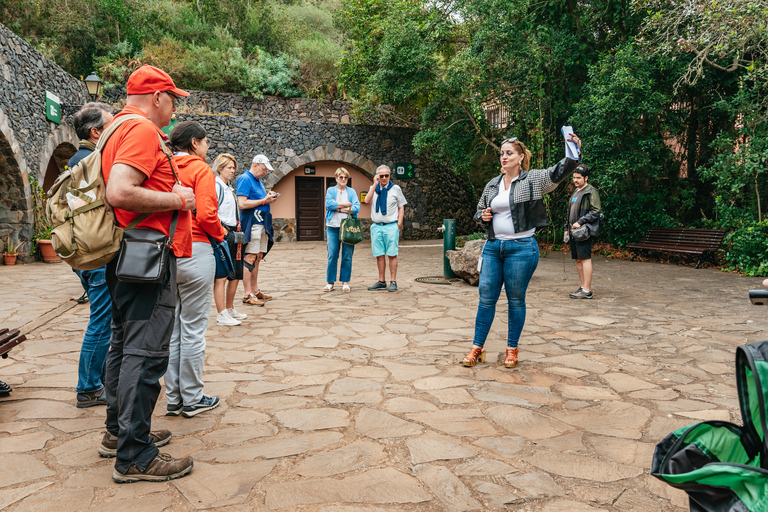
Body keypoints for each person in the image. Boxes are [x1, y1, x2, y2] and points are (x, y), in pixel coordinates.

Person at [101, 64, 196, 483]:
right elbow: (119, 191)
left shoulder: (114, 128)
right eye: (173, 99)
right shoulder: (140, 130)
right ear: (157, 96)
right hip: (147, 257)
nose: (174, 109)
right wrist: (177, 199)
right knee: (146, 352)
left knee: (122, 345)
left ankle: (119, 431)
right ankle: (136, 454)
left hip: (126, 256)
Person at [463, 134, 582, 369]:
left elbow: (559, 171)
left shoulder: (533, 179)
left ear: (520, 157)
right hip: (493, 248)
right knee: (486, 300)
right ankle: (477, 347)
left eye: (509, 153)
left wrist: (573, 152)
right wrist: (483, 215)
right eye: (502, 153)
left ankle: (512, 349)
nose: (504, 157)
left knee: (515, 300)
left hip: (522, 248)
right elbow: (479, 211)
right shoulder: (492, 184)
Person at [164, 121, 227, 418]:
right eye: (205, 143)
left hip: (166, 253)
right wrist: (221, 234)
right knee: (193, 328)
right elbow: (207, 213)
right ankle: (192, 397)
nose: (207, 148)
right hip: (196, 249)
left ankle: (173, 397)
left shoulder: (163, 167)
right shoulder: (200, 169)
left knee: (173, 327)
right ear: (193, 144)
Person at [67, 102, 115, 408]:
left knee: (102, 318)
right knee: (101, 319)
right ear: (96, 131)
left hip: (84, 252)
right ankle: (88, 387)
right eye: (109, 126)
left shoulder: (76, 159)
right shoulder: (92, 161)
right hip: (96, 254)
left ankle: (95, 380)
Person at [236, 154, 278, 306]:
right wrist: (263, 200)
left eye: (266, 170)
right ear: (255, 165)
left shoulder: (258, 181)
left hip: (262, 224)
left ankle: (254, 290)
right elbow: (242, 203)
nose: (265, 172)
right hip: (252, 224)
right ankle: (247, 293)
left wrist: (267, 197)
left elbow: (259, 200)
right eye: (263, 169)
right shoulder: (245, 179)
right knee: (250, 257)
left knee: (258, 256)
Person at [212, 153, 247, 326]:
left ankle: (230, 307)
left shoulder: (228, 187)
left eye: (234, 168)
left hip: (234, 232)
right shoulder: (216, 186)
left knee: (235, 274)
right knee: (222, 275)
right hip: (223, 234)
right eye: (229, 167)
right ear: (220, 168)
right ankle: (221, 313)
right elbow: (213, 212)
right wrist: (223, 232)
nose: (233, 171)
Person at [364, 165, 407, 292]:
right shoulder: (374, 188)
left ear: (389, 176)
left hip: (390, 226)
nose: (383, 178)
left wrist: (398, 224)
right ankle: (381, 281)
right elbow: (367, 200)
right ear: (377, 176)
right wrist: (374, 184)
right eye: (381, 176)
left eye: (386, 175)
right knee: (379, 255)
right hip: (377, 226)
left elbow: (401, 207)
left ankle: (393, 281)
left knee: (392, 254)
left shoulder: (395, 189)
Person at [563, 164, 601, 299]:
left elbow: (596, 211)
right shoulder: (575, 192)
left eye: (578, 178)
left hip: (584, 231)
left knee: (585, 258)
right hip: (573, 232)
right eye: (574, 178)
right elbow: (569, 213)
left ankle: (587, 290)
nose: (575, 180)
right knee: (578, 260)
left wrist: (581, 221)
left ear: (586, 178)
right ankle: (583, 286)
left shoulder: (591, 191)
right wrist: (566, 229)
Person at [324, 167, 361, 292]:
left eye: (346, 177)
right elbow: (329, 204)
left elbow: (356, 208)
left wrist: (338, 207)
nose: (344, 179)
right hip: (333, 227)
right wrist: (347, 204)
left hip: (348, 228)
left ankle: (345, 281)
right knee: (332, 255)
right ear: (336, 178)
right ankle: (330, 282)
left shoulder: (351, 192)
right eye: (341, 177)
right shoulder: (330, 190)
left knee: (347, 255)